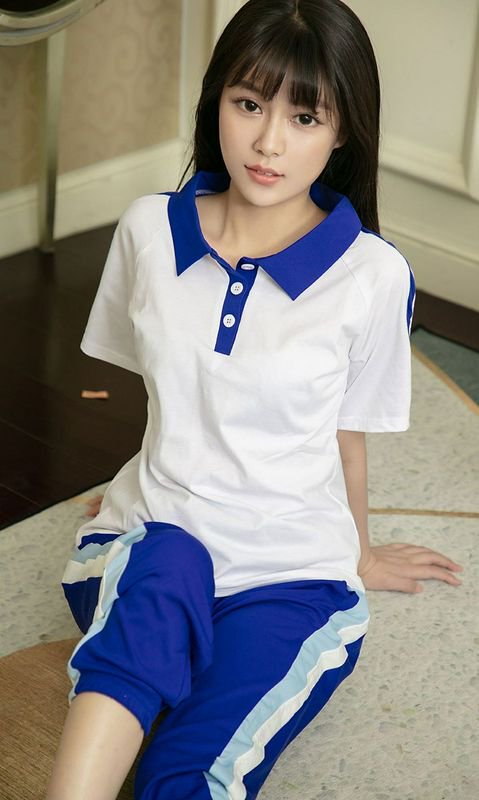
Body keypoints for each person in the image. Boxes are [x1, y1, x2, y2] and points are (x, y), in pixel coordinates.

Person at [46, 1, 463, 798]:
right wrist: (149, 482)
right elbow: (166, 389)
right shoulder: (147, 230)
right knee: (166, 563)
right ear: (216, 104)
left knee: (191, 765)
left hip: (288, 575)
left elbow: (346, 434)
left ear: (342, 132)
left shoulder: (372, 277)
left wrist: (359, 552)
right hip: (146, 542)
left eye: (304, 117)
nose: (269, 143)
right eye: (248, 105)